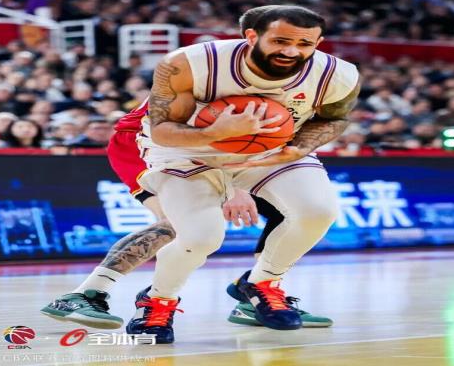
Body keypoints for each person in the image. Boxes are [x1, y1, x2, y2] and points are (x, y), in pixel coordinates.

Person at [127, 4, 360, 343]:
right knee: (201, 237)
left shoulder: (337, 74)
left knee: (317, 211)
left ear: (318, 43)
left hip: (269, 148)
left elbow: (334, 119)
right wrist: (214, 132)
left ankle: (262, 282)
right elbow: (163, 130)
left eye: (304, 44)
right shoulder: (189, 64)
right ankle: (158, 301)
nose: (292, 51)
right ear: (251, 36)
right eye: (280, 41)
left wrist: (299, 147)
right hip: (187, 150)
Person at [40, 95, 332, 328]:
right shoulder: (222, 68)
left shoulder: (302, 78)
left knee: (294, 212)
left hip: (226, 149)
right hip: (150, 142)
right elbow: (209, 128)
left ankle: (258, 291)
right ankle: (86, 293)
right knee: (178, 225)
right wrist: (234, 189)